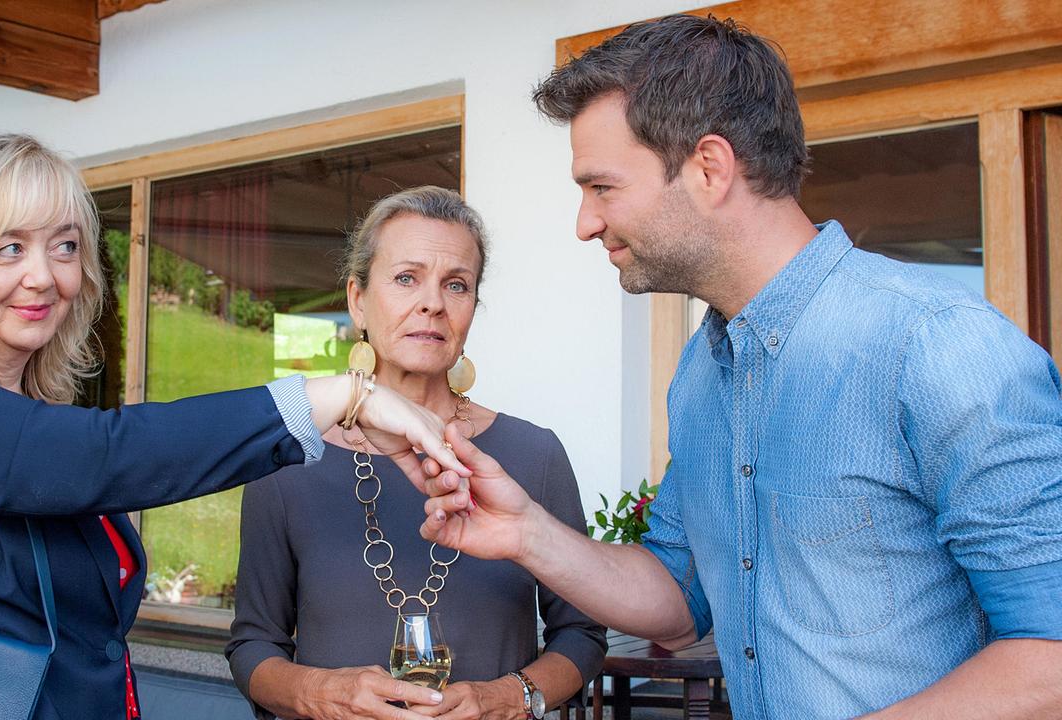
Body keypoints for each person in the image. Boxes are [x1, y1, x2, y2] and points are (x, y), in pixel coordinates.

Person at [420, 14, 1062, 720]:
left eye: (602, 187)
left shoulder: (937, 347)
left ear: (709, 167)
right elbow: (675, 601)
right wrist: (527, 534)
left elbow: (1051, 655)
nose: (585, 222)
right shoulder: (702, 371)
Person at [0, 133, 468, 720]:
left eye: (66, 245)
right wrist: (335, 395)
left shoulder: (39, 419)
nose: (45, 276)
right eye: (9, 247)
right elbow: (91, 458)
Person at [226, 186, 606, 720]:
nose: (432, 302)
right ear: (358, 300)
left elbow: (582, 636)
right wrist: (322, 693)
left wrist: (505, 698)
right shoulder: (289, 461)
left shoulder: (532, 455)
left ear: (473, 308)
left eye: (457, 285)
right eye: (406, 278)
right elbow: (252, 647)